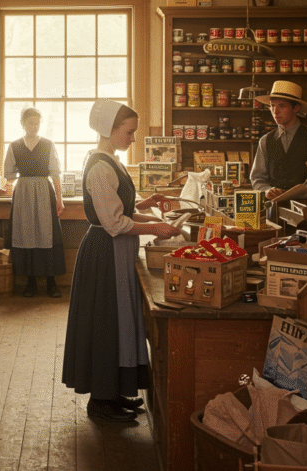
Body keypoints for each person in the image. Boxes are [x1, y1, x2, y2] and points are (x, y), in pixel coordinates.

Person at [62, 99, 182, 423]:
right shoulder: (100, 167)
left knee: (119, 322)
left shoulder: (110, 160)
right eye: (129, 132)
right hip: (104, 252)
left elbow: (121, 209)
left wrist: (148, 202)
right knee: (106, 323)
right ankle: (101, 401)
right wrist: (156, 227)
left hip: (115, 250)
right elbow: (115, 223)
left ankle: (114, 393)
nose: (132, 139)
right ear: (110, 130)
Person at [2, 107, 66, 298]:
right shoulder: (14, 146)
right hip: (23, 192)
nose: (34, 126)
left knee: (47, 233)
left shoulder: (48, 144)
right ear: (23, 124)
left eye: (37, 123)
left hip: (44, 191)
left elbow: (55, 174)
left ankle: (51, 283)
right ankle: (29, 283)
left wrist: (59, 199)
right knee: (26, 232)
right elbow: (9, 175)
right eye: (30, 122)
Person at [249, 81, 307, 201]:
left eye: (282, 106)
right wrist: (267, 190)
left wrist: (295, 193)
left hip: (305, 208)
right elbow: (257, 178)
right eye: (272, 106)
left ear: (296, 108)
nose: (275, 111)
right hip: (274, 208)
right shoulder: (265, 141)